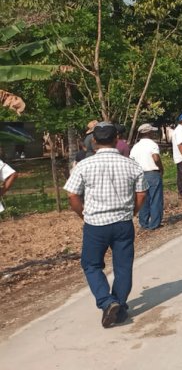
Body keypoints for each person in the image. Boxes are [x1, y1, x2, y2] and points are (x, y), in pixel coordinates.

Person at [63, 122, 147, 328]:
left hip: (95, 224)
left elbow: (72, 195)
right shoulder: (131, 164)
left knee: (91, 265)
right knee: (123, 266)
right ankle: (119, 304)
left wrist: (83, 214)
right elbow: (142, 193)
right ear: (116, 139)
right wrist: (132, 212)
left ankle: (107, 301)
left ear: (93, 142)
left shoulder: (84, 165)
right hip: (122, 223)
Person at [130, 124, 165, 231]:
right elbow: (155, 157)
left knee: (143, 199)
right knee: (155, 198)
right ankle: (154, 223)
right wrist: (161, 167)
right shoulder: (152, 144)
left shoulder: (136, 147)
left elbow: (132, 161)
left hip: (140, 174)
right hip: (152, 173)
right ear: (148, 133)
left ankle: (143, 223)